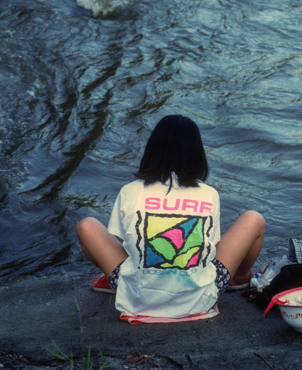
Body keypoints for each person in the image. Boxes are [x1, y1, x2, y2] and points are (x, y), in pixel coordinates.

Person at [76, 114, 265, 322]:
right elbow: (210, 248)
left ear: (152, 150)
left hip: (138, 297)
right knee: (254, 218)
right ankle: (238, 279)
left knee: (86, 226)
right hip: (199, 300)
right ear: (197, 153)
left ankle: (113, 281)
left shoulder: (130, 191)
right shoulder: (208, 193)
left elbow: (129, 244)